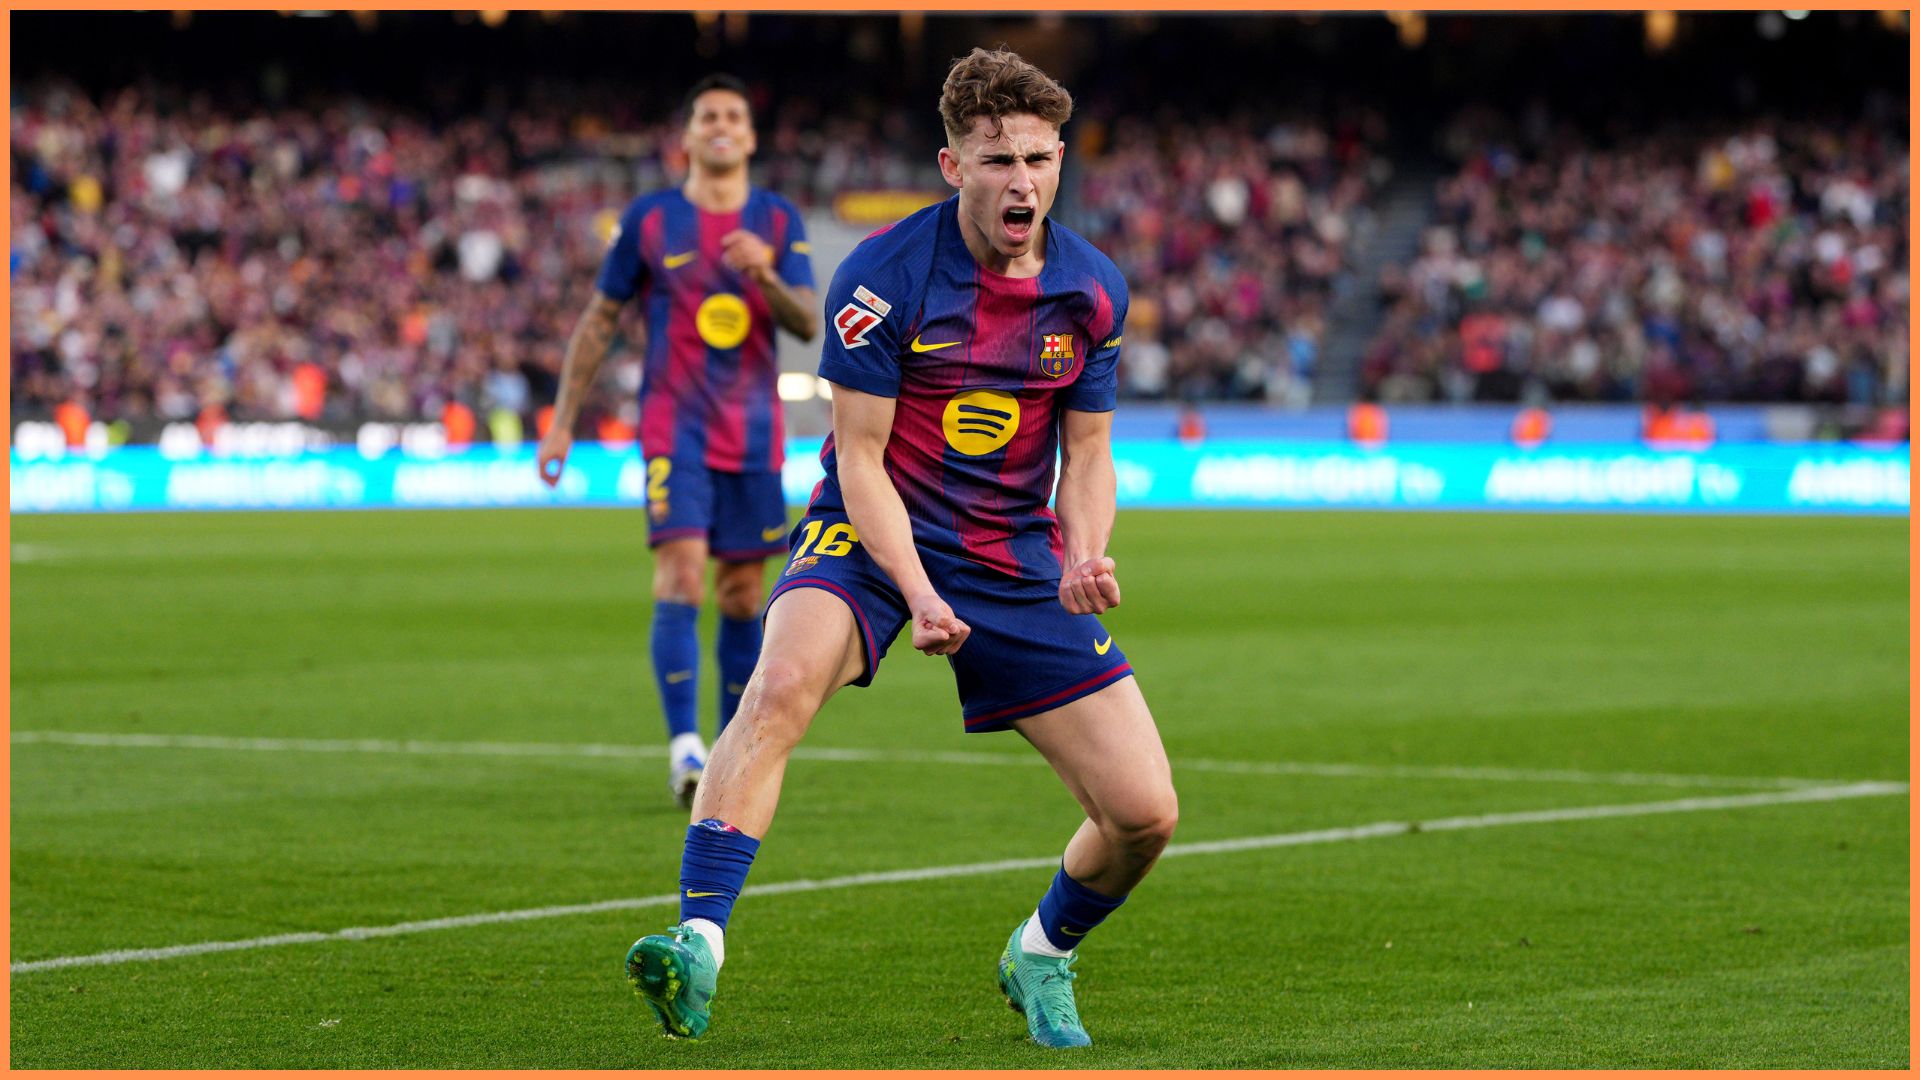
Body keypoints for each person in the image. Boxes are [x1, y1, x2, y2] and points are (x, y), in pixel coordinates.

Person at [623, 48, 1178, 1049]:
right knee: (779, 686)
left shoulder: (1092, 291)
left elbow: (1088, 451)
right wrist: (917, 592)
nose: (1023, 181)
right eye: (997, 159)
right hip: (871, 539)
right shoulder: (883, 277)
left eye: (1040, 160)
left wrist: (1084, 552)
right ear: (952, 165)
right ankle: (697, 941)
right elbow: (862, 458)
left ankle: (1043, 951)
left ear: (1060, 164)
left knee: (1145, 814)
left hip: (1011, 554)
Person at [539, 75, 819, 807]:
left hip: (755, 435)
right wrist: (564, 419)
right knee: (682, 575)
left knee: (740, 593)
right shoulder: (651, 221)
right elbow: (600, 320)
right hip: (675, 429)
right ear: (687, 136)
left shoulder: (778, 222)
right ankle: (684, 748)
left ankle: (729, 751)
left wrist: (764, 271)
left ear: (751, 138)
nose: (721, 126)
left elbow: (806, 324)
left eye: (734, 115)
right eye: (707, 116)